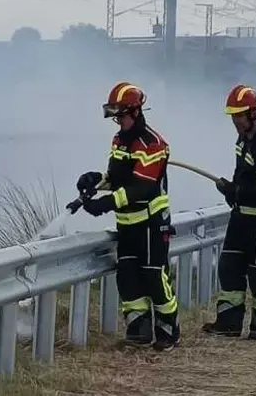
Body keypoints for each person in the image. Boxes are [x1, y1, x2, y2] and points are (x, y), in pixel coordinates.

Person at [74, 81, 180, 351]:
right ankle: (139, 331)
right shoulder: (119, 140)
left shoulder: (153, 144)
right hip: (127, 224)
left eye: (120, 115)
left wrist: (107, 203)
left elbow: (141, 186)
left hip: (151, 223)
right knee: (128, 278)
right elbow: (119, 177)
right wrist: (96, 180)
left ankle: (168, 330)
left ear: (134, 112)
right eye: (115, 116)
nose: (117, 121)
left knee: (155, 277)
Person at [202, 84, 256, 340]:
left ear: (253, 114)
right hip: (241, 218)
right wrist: (232, 194)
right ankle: (228, 322)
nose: (235, 121)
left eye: (239, 115)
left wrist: (235, 191)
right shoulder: (243, 140)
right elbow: (245, 178)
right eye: (233, 116)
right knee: (229, 267)